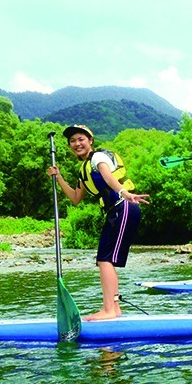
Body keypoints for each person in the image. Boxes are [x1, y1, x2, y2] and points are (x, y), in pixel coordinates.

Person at [47, 125, 149, 321]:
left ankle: (109, 309)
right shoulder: (84, 170)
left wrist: (125, 193)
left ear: (90, 141)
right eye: (72, 141)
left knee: (104, 259)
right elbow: (75, 198)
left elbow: (108, 177)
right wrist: (58, 178)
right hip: (115, 211)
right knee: (104, 260)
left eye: (81, 139)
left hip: (123, 205)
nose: (77, 144)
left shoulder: (98, 158)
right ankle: (114, 308)